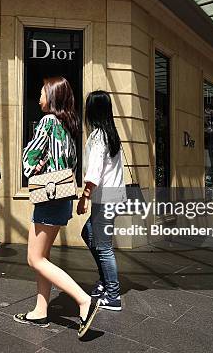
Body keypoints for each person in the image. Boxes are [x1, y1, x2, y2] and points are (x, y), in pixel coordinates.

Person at [14, 76, 100, 338]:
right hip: (61, 198)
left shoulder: (48, 122)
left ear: (51, 96)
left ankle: (84, 301)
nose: (38, 95)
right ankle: (40, 311)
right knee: (44, 257)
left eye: (41, 91)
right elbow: (69, 164)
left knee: (34, 258)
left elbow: (28, 161)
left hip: (48, 199)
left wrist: (34, 166)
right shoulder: (68, 125)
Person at [77, 91, 126, 311]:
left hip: (104, 199)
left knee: (104, 247)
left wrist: (84, 196)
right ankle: (105, 282)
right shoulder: (111, 133)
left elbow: (95, 172)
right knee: (88, 234)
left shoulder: (98, 135)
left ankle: (113, 294)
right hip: (113, 197)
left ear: (92, 110)